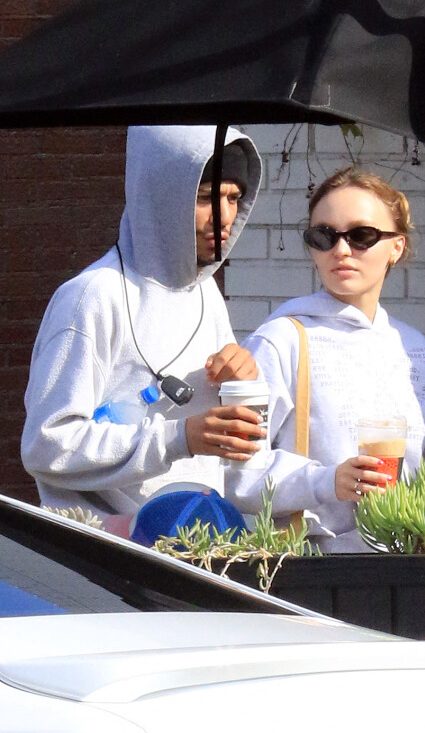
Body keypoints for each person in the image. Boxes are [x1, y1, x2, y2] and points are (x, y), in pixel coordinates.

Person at [21, 125, 266, 521]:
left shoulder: (206, 295)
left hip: (196, 546)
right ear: (162, 198)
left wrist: (242, 381)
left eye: (234, 197)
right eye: (205, 197)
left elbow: (230, 452)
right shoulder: (93, 296)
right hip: (107, 564)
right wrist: (178, 438)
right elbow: (46, 445)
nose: (224, 216)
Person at [226, 167, 425, 553]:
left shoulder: (416, 350)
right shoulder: (281, 340)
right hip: (313, 571)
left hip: (408, 569)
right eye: (324, 236)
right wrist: (327, 480)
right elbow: (238, 476)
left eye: (361, 235)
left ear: (397, 246)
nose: (341, 250)